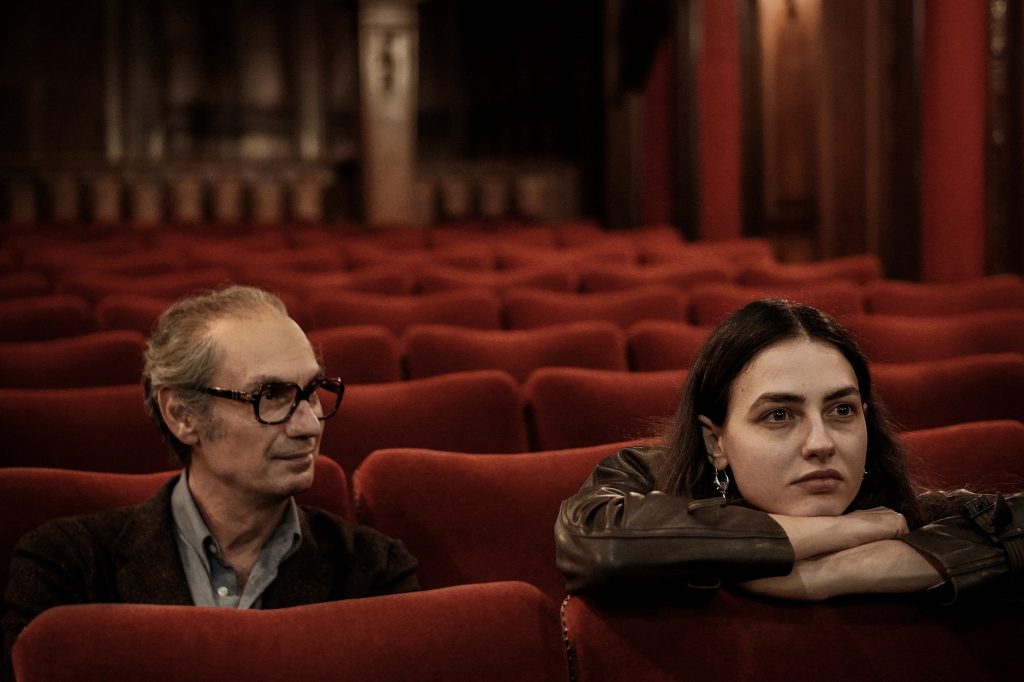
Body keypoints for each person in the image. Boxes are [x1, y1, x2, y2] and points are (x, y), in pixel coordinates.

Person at [2, 286, 418, 680]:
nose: (309, 425)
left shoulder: (376, 570)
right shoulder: (67, 565)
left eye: (311, 392)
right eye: (271, 395)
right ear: (182, 416)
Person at [555, 298, 1022, 604]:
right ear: (716, 441)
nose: (821, 443)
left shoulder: (898, 514)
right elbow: (597, 542)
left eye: (841, 410)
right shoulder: (643, 477)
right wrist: (842, 531)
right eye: (779, 415)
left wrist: (844, 572)